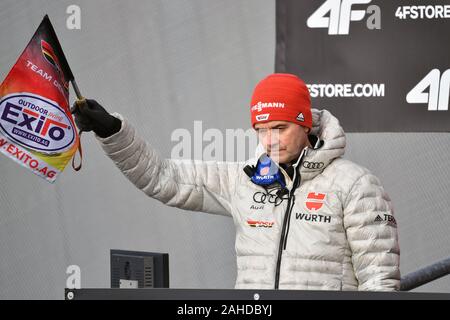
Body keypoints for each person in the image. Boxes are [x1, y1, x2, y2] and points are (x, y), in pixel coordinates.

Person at [73, 73, 400, 291]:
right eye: (261, 129)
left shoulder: (356, 185)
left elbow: (380, 279)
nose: (269, 140)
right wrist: (113, 132)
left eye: (280, 127)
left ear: (305, 124)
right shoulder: (245, 179)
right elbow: (163, 178)